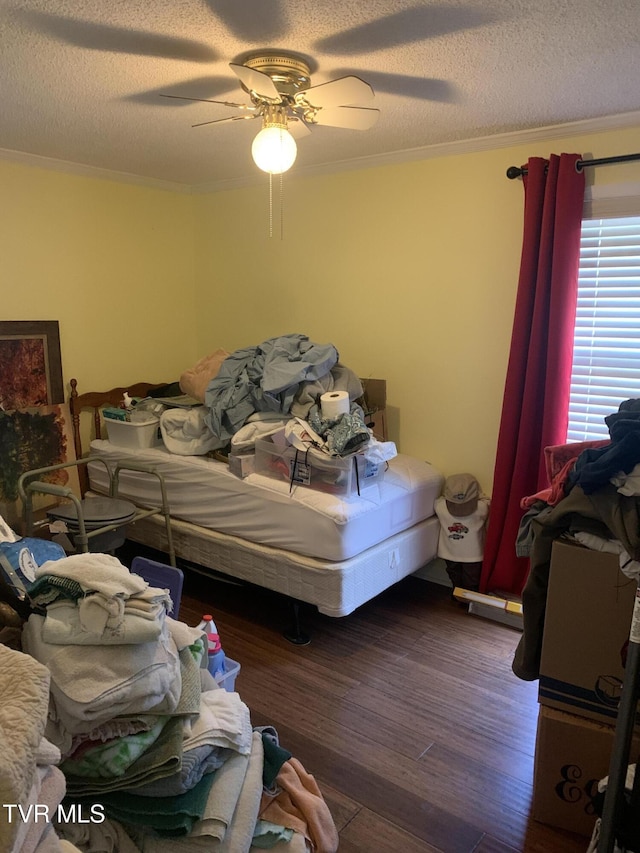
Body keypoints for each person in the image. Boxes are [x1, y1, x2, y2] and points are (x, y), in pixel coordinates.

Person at [434, 473, 490, 592]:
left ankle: (457, 595)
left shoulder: (441, 508)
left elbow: (439, 500)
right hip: (473, 555)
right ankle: (469, 601)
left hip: (449, 553)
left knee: (454, 576)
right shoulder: (481, 508)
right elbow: (487, 500)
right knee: (472, 580)